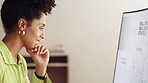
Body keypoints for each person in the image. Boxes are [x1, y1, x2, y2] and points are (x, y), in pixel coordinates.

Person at [0, 0, 56, 83]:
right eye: (41, 28)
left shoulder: (21, 62)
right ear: (22, 25)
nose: (43, 35)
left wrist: (41, 69)